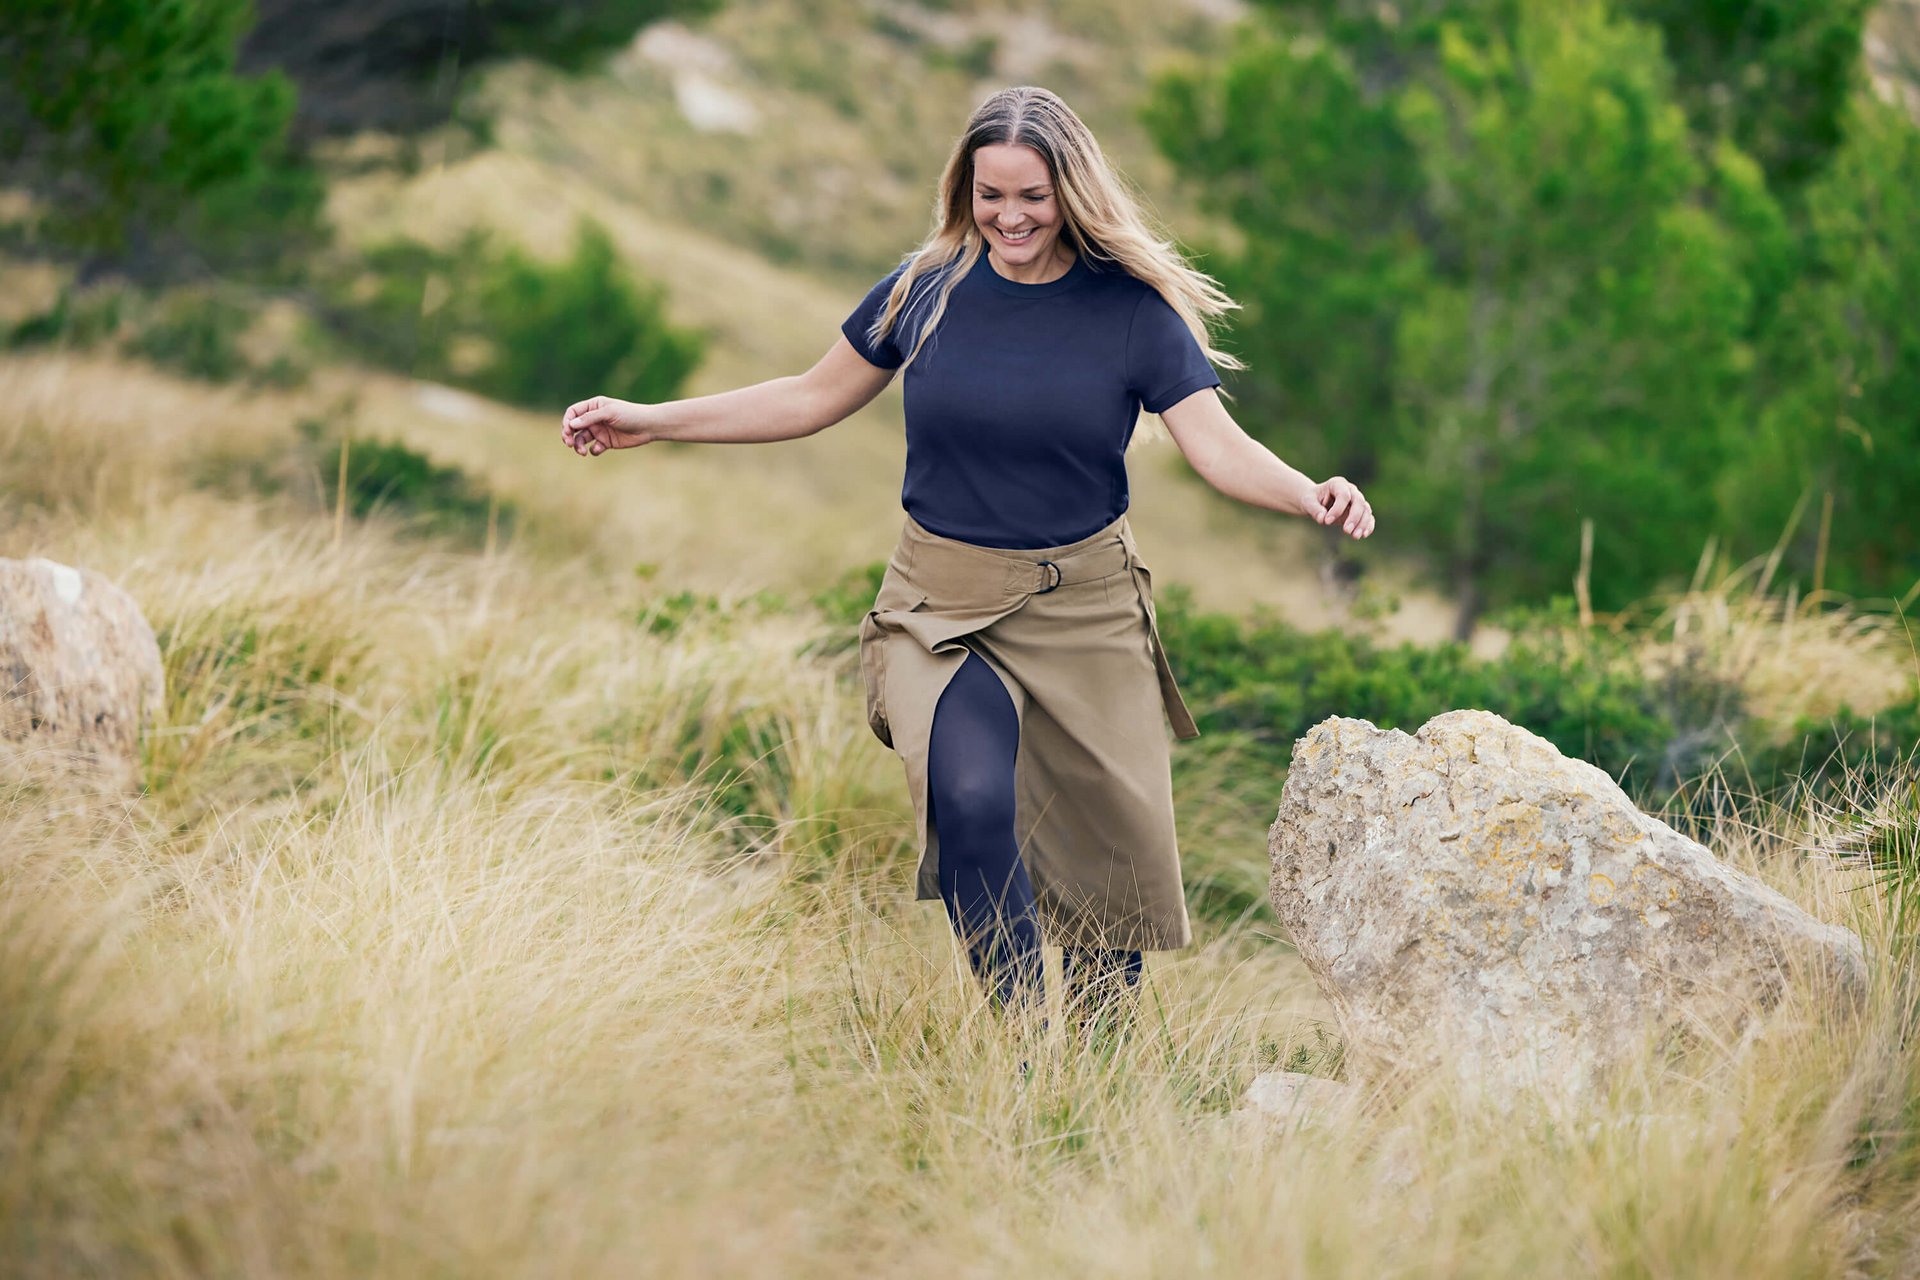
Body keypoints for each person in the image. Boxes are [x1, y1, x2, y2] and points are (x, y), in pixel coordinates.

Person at [560, 85, 1373, 1045]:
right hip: (940, 604)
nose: (1011, 217)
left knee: (1104, 874)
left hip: (1087, 607)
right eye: (991, 195)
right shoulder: (926, 287)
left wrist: (1307, 492)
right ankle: (1025, 1049)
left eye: (1032, 196)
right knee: (972, 802)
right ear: (965, 190)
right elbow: (809, 398)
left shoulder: (1131, 313)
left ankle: (1095, 1079)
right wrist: (653, 421)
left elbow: (1217, 445)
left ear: (1071, 192)